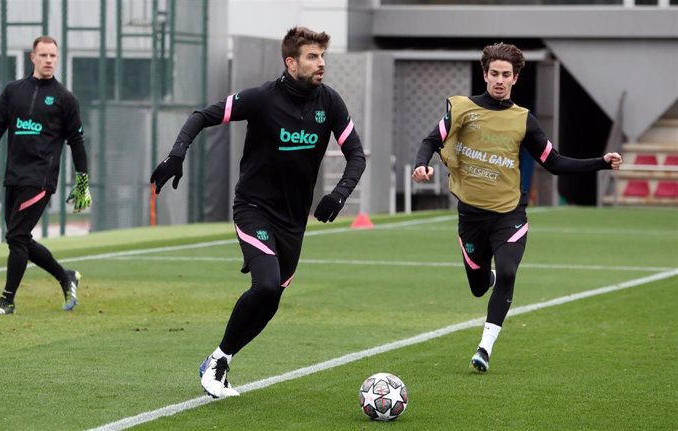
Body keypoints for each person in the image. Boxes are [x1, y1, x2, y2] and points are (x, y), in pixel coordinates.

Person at [150, 27, 366, 398]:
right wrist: (176, 154)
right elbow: (201, 115)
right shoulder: (263, 98)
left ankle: (220, 359)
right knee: (264, 285)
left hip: (294, 222)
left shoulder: (329, 103)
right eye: (313, 57)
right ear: (291, 61)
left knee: (271, 299)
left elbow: (356, 156)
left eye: (322, 56)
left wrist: (339, 195)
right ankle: (216, 366)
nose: (321, 64)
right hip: (253, 208)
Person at [412, 42, 622, 373]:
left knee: (509, 271)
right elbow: (430, 141)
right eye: (493, 73)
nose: (499, 79)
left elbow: (553, 162)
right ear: (485, 74)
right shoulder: (463, 109)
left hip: (509, 213)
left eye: (505, 75)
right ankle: (486, 275)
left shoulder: (523, 120)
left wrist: (601, 163)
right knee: (479, 286)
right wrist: (422, 165)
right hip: (470, 216)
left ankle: (484, 348)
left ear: (515, 79)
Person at [0, 36, 92, 316]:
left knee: (18, 236)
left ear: (57, 59)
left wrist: (83, 179)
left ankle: (7, 300)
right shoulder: (13, 91)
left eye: (53, 56)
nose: (48, 60)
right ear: (32, 57)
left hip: (40, 178)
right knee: (18, 238)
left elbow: (77, 142)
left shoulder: (64, 99)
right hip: (14, 176)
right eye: (43, 55)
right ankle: (65, 275)